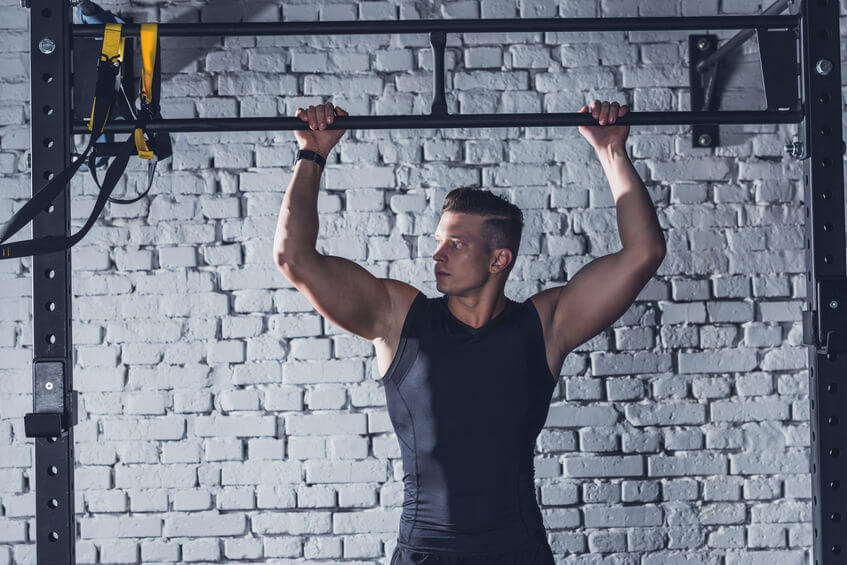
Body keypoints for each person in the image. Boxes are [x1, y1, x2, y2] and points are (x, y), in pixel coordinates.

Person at [274, 100, 665, 564]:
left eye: (456, 244)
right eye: (439, 241)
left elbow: (644, 252)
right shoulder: (400, 318)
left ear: (499, 259)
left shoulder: (544, 325)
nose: (438, 255)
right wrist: (312, 155)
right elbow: (293, 258)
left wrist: (612, 153)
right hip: (426, 555)